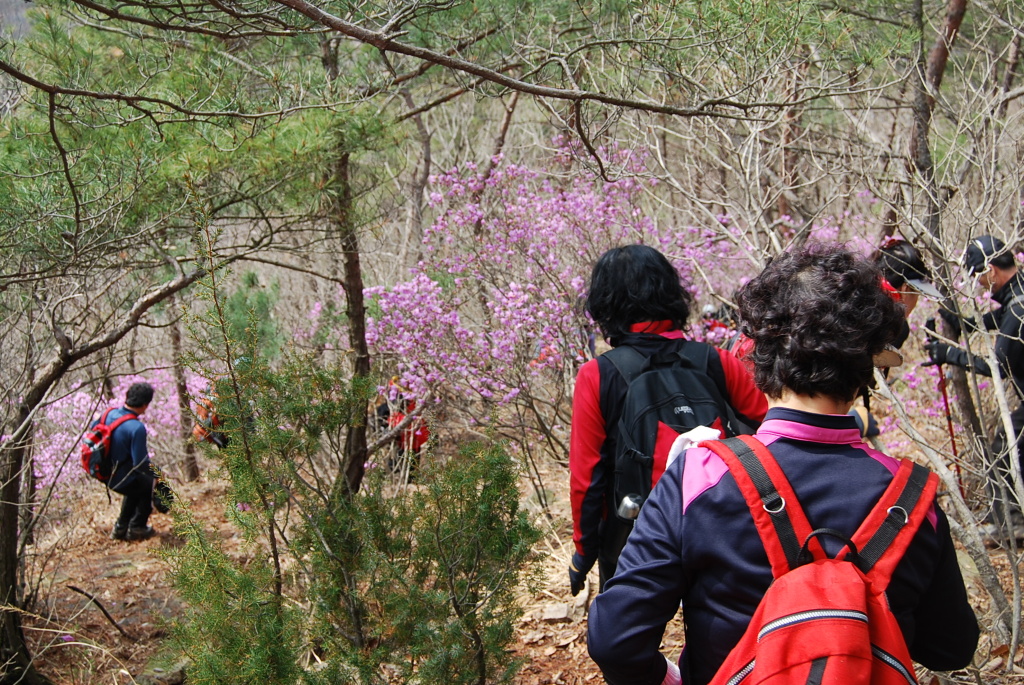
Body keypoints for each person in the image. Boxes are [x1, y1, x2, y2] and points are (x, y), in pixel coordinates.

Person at [588, 244, 978, 685]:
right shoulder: (915, 499)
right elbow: (951, 648)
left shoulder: (698, 478)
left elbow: (614, 639)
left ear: (759, 358)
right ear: (866, 369)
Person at [568, 245, 767, 596]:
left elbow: (587, 480)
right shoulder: (717, 361)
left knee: (621, 643)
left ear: (605, 304)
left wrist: (584, 553)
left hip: (635, 537)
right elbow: (772, 431)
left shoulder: (598, 375)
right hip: (720, 527)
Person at [926, 234, 1024, 531]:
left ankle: (1011, 525)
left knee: (1003, 451)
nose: (980, 285)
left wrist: (949, 353)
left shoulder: (1019, 306)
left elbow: (998, 366)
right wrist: (961, 323)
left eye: (979, 277)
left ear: (991, 270)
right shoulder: (1018, 294)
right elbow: (999, 318)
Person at [850, 235, 942, 437]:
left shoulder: (848, 289)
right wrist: (850, 423)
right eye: (917, 294)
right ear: (906, 289)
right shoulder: (894, 325)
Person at [102, 381, 159, 542]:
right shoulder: (136, 427)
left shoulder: (108, 414)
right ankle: (137, 528)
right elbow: (140, 463)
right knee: (148, 483)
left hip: (102, 471)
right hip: (118, 476)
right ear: (145, 405)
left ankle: (120, 529)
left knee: (135, 486)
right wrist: (158, 474)